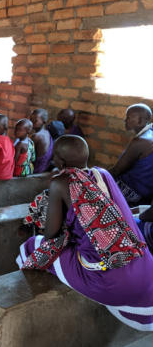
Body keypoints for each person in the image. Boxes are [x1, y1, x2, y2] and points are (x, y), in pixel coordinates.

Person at [16, 135, 153, 331]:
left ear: (60, 161)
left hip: (112, 281)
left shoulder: (61, 182)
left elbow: (51, 237)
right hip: (145, 270)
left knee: (32, 246)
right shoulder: (103, 174)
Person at [110, 103, 153, 206]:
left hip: (135, 192)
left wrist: (95, 176)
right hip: (147, 191)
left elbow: (116, 170)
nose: (125, 120)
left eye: (128, 117)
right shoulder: (150, 132)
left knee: (94, 187)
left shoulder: (140, 141)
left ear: (140, 121)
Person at [30, 109, 53, 173]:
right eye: (31, 119)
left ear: (44, 121)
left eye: (35, 121)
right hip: (44, 169)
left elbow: (28, 158)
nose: (32, 122)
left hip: (36, 170)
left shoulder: (36, 136)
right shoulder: (47, 133)